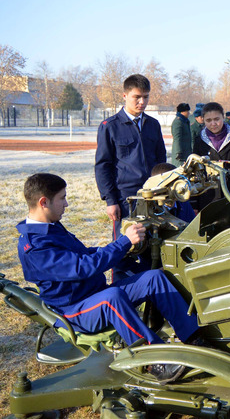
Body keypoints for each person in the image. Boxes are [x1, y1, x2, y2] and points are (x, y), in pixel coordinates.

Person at [17, 173, 201, 383]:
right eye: (62, 198)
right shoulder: (35, 246)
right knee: (111, 298)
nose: (66, 204)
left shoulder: (50, 228)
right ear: (43, 202)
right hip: (74, 311)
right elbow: (83, 267)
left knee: (153, 277)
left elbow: (84, 254)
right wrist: (122, 243)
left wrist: (124, 252)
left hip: (92, 295)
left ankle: (194, 337)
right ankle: (153, 361)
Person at [95, 74, 166, 243]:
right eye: (137, 97)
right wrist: (110, 201)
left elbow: (161, 160)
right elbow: (103, 166)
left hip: (153, 195)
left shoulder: (153, 125)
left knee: (154, 244)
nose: (142, 102)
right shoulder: (110, 127)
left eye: (145, 97)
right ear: (125, 96)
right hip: (125, 198)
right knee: (126, 248)